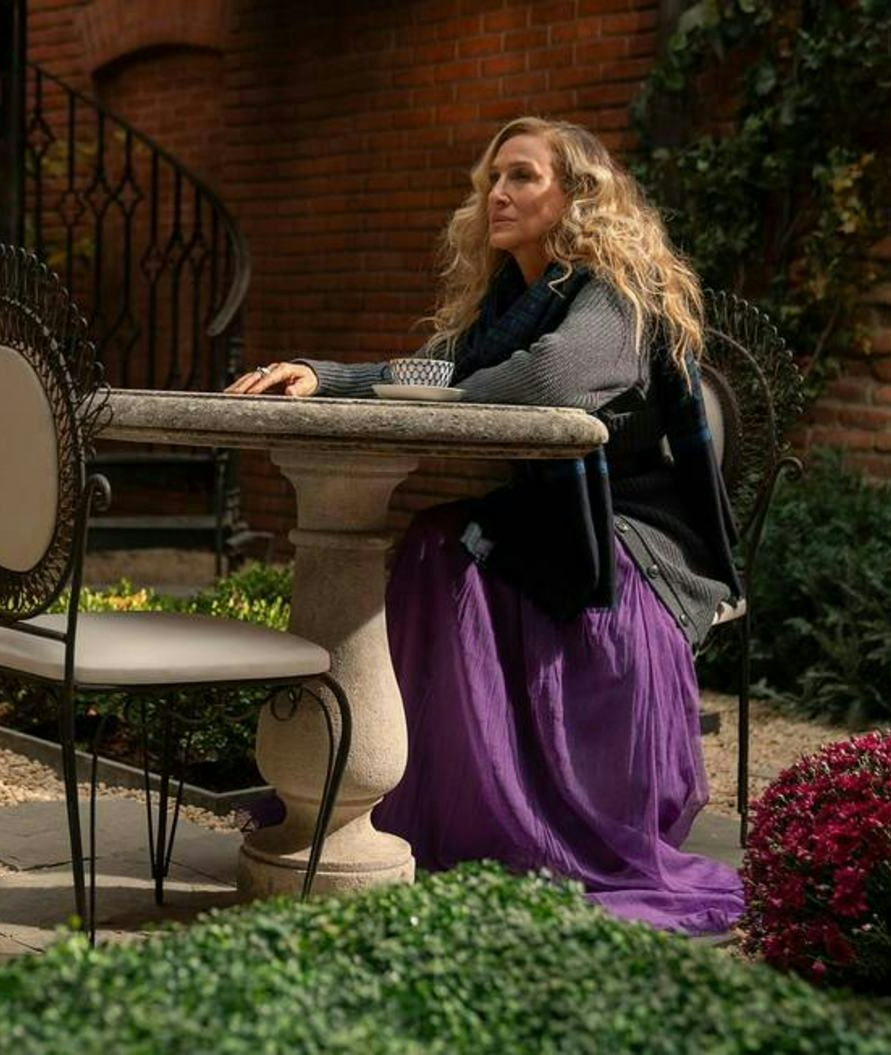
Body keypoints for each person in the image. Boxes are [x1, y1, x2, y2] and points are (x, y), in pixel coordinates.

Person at [223, 116, 744, 935]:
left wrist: (440, 397)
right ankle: (398, 790)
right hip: (551, 515)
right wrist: (322, 376)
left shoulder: (615, 291)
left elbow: (550, 380)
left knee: (455, 554)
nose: (498, 193)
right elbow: (425, 372)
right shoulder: (510, 300)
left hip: (631, 536)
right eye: (493, 179)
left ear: (578, 195)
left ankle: (515, 816)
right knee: (435, 540)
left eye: (522, 176)